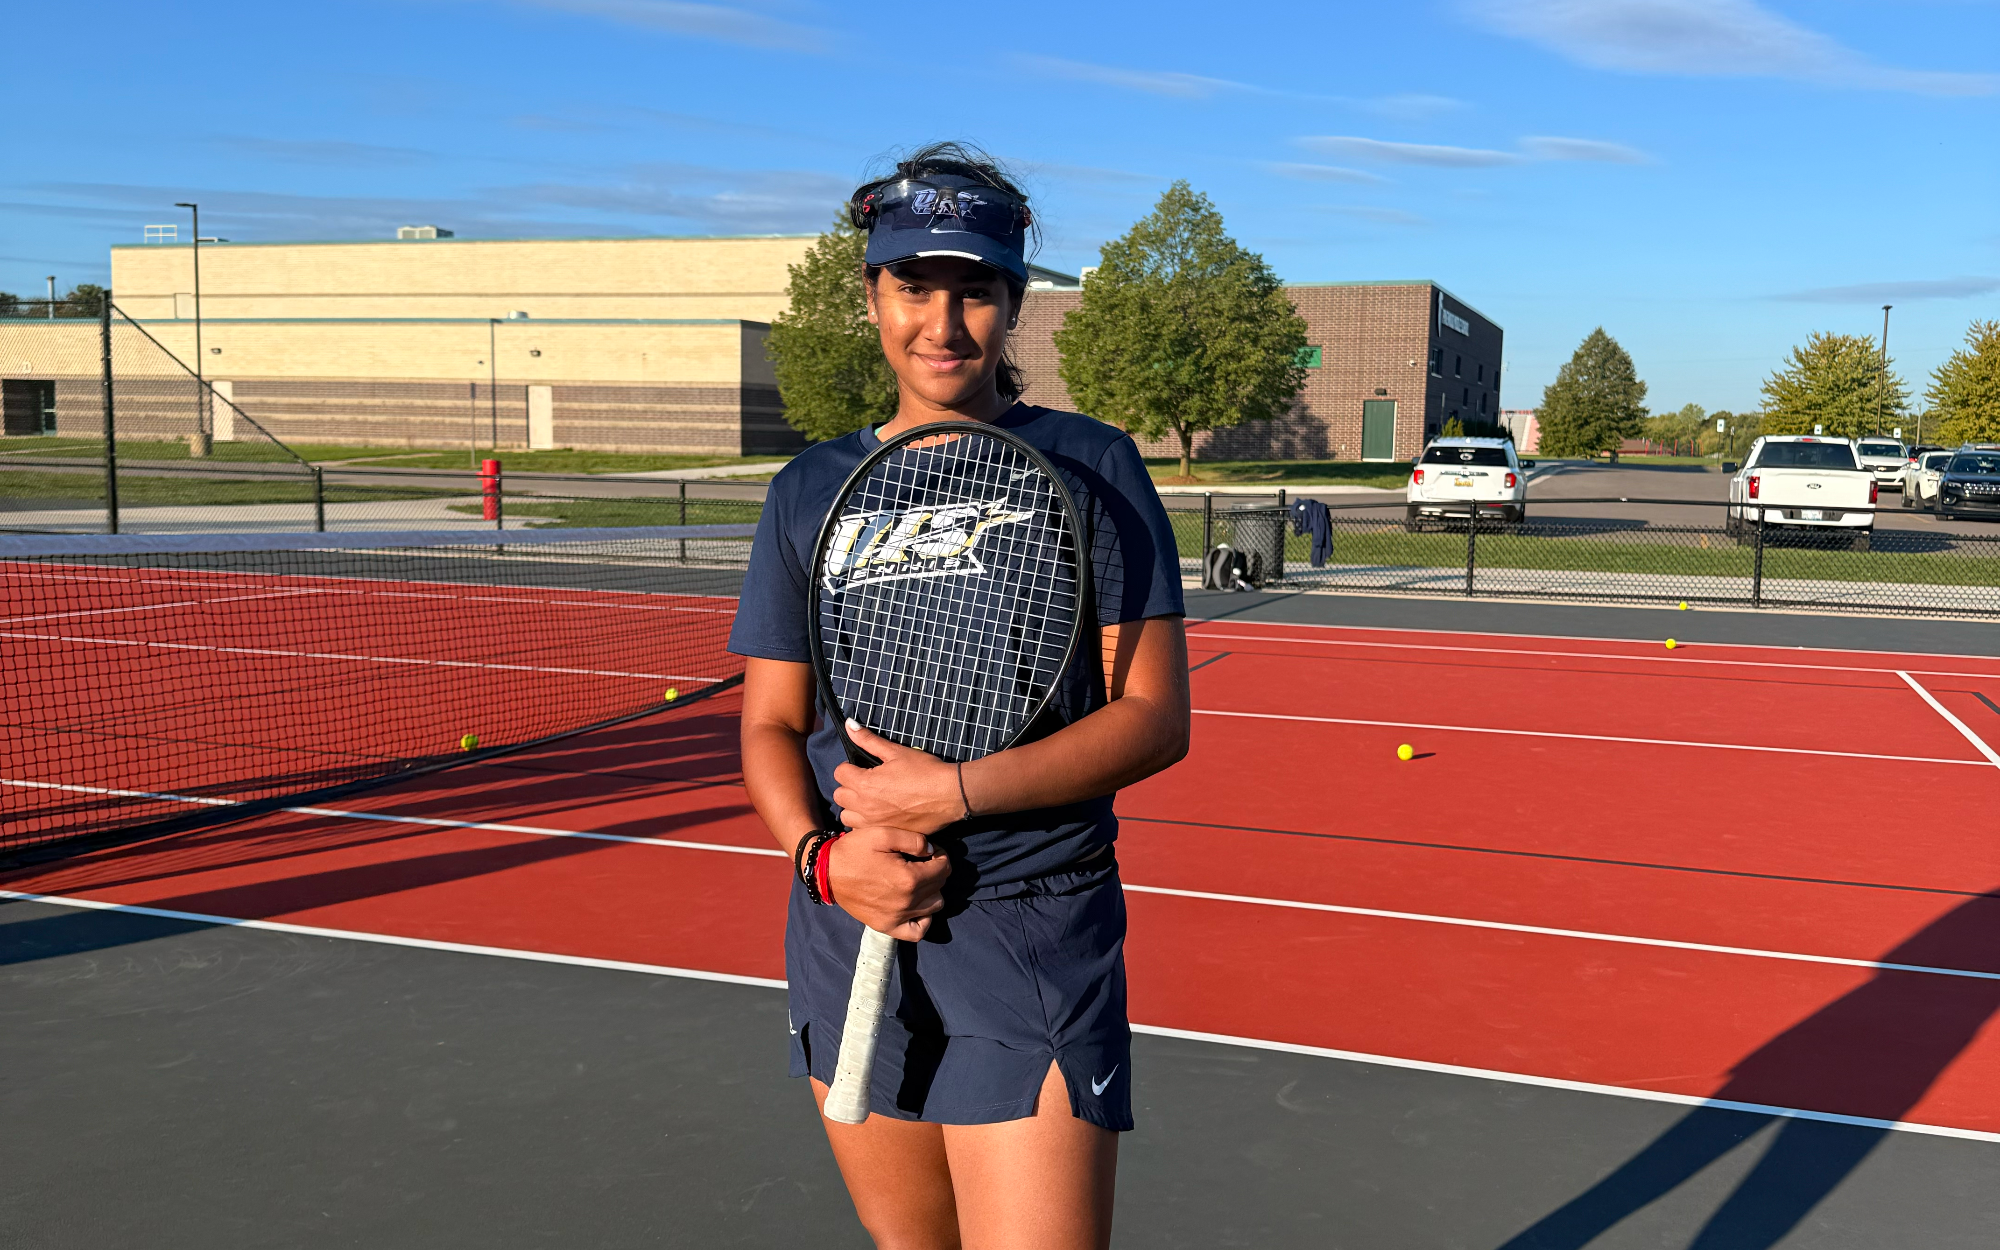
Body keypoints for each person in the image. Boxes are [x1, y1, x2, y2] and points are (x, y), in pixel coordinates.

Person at [728, 141, 1191, 1250]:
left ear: (1013, 302)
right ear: (871, 293)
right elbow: (768, 725)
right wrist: (825, 858)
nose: (941, 323)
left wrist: (952, 793)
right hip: (852, 922)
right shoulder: (806, 489)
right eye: (912, 286)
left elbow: (1151, 716)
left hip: (1032, 926)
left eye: (974, 289)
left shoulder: (1091, 465)